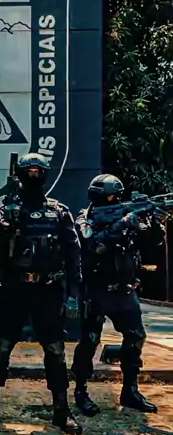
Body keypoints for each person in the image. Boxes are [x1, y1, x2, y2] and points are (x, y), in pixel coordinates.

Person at [0, 153, 82, 434]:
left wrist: (73, 293)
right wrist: (6, 229)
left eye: (38, 170)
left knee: (55, 350)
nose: (34, 175)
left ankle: (61, 410)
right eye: (29, 171)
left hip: (48, 291)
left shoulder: (59, 211)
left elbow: (73, 255)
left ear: (45, 173)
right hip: (14, 290)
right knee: (1, 348)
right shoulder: (6, 210)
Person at [72, 173, 164, 415]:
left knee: (135, 337)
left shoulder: (126, 215)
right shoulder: (85, 219)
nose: (116, 200)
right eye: (113, 196)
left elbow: (152, 243)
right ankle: (80, 391)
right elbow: (93, 245)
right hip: (97, 291)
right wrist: (123, 223)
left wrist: (154, 222)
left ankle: (130, 390)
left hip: (125, 290)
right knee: (90, 341)